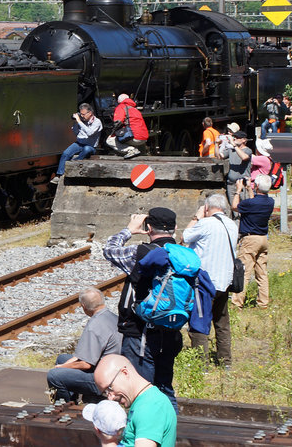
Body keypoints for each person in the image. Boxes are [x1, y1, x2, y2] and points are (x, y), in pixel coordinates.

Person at [102, 207, 184, 409]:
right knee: (165, 387)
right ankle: (168, 433)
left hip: (140, 334)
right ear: (175, 228)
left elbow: (109, 249)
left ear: (148, 228)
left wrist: (129, 230)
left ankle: (143, 437)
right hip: (172, 330)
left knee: (140, 390)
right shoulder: (184, 255)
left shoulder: (140, 253)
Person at [182, 194, 237, 367]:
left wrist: (196, 217)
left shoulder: (205, 223)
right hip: (225, 280)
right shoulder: (232, 224)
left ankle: (201, 364)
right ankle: (225, 361)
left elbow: (184, 236)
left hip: (206, 282)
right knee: (222, 322)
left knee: (199, 322)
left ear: (207, 207)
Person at [46, 287, 122, 403]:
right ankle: (73, 400)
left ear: (83, 306)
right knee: (62, 358)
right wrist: (64, 364)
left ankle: (65, 407)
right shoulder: (112, 317)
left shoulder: (94, 326)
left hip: (104, 379)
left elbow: (86, 364)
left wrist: (61, 368)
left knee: (54, 375)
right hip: (116, 369)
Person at [93, 354, 177, 447]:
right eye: (106, 392)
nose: (110, 398)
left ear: (124, 373)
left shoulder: (150, 406)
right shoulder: (141, 402)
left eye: (110, 388)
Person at [231, 175, 273, 309]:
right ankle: (263, 302)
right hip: (263, 239)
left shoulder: (250, 203)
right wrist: (250, 188)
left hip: (250, 240)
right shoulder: (270, 202)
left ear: (257, 187)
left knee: (244, 271)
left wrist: (238, 190)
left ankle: (237, 302)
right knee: (262, 272)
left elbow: (234, 206)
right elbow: (253, 202)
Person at [56, 103, 102, 179]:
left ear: (90, 113)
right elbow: (76, 133)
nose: (82, 116)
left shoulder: (97, 122)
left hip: (90, 146)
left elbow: (90, 133)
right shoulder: (82, 121)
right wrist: (76, 123)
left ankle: (74, 163)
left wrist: (79, 121)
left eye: (83, 114)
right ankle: (59, 175)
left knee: (86, 149)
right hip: (79, 143)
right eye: (80, 114)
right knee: (65, 153)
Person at [106, 94, 148, 159]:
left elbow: (118, 122)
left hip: (134, 137)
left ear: (118, 101)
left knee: (109, 140)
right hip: (144, 138)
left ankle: (131, 150)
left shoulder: (120, 107)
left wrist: (112, 134)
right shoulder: (134, 109)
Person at [218, 128, 252, 207]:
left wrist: (234, 144)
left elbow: (244, 157)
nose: (235, 139)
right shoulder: (231, 149)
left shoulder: (248, 150)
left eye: (237, 137)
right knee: (233, 207)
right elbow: (220, 156)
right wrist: (216, 144)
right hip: (231, 183)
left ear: (243, 140)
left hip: (243, 184)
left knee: (244, 206)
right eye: (234, 137)